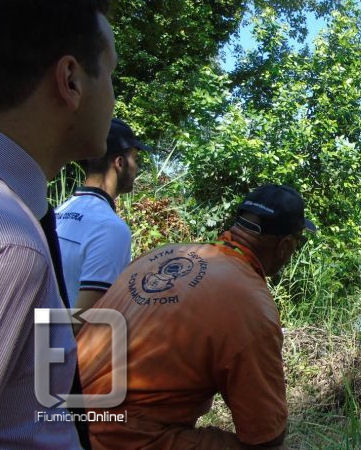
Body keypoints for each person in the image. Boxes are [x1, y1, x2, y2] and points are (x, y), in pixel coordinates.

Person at [78, 184, 315, 449]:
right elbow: (266, 434)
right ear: (285, 246)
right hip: (116, 435)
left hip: (62, 414)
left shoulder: (160, 256)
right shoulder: (252, 305)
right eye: (297, 244)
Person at [0, 0, 116, 448]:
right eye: (110, 74)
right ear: (70, 80)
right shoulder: (14, 244)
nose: (113, 96)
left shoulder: (29, 212)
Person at [57, 118, 149, 310]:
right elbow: (87, 320)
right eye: (136, 159)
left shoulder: (59, 212)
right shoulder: (110, 229)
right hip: (59, 340)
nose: (137, 168)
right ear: (120, 163)